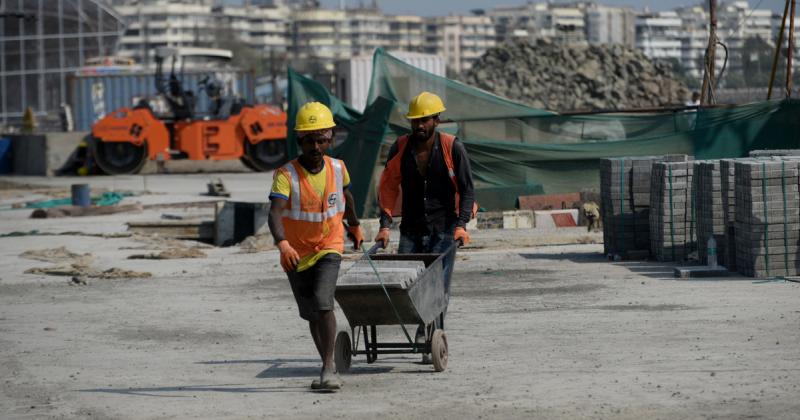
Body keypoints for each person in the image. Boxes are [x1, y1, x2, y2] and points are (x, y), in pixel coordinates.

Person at [268, 101, 363, 391]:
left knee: (324, 302)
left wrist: (355, 225)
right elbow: (273, 212)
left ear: (330, 138)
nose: (316, 146)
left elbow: (347, 198)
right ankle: (326, 362)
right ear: (300, 140)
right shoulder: (286, 175)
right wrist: (283, 244)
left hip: (330, 246)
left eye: (321, 139)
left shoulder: (338, 168)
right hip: (296, 253)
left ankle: (328, 367)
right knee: (311, 313)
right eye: (309, 140)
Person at [373, 91, 475, 363]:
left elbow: (467, 190)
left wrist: (462, 225)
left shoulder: (453, 148)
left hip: (445, 227)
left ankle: (431, 334)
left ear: (437, 120)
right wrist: (385, 225)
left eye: (425, 120)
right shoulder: (401, 148)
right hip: (412, 228)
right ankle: (423, 327)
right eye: (415, 121)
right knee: (410, 285)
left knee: (439, 287)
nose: (419, 126)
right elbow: (388, 187)